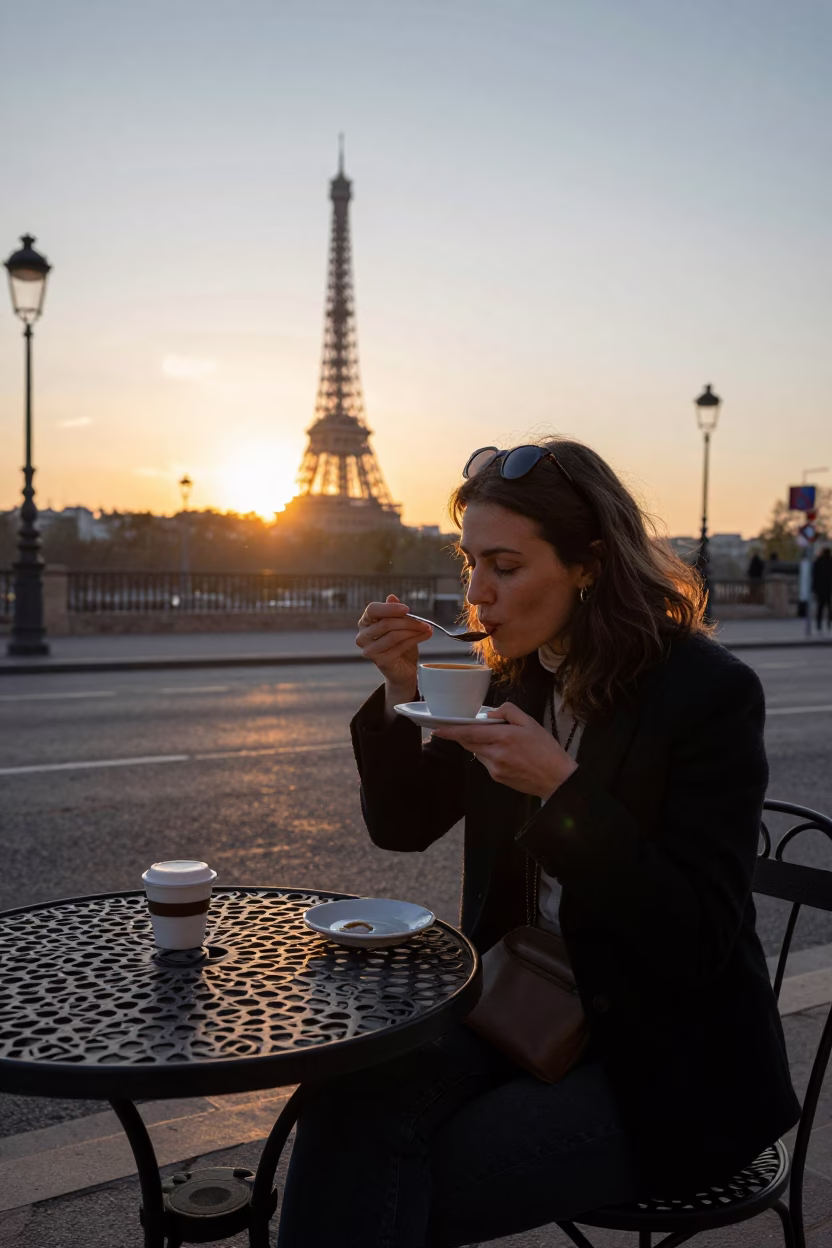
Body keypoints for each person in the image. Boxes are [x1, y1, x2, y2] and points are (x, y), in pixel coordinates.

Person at [277, 438, 799, 1248]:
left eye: (506, 567)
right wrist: (399, 692)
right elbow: (402, 828)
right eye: (470, 563)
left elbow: (696, 937)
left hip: (660, 1057)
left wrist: (561, 790)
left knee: (396, 1181)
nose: (477, 594)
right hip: (522, 1002)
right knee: (343, 1096)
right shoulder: (516, 677)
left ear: (588, 565)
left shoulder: (707, 693)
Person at [813, 546, 832, 631]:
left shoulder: (818, 562)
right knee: (829, 606)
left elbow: (814, 575)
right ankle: (829, 623)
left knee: (820, 607)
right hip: (828, 588)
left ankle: (819, 624)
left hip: (820, 588)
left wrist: (814, 588)